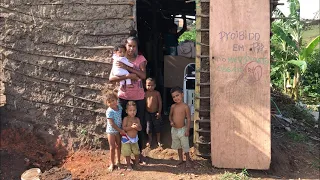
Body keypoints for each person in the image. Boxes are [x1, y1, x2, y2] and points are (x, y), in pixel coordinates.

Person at [109, 34, 147, 163]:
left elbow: (143, 75)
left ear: (137, 48)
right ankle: (126, 154)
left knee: (138, 124)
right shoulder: (119, 58)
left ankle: (139, 152)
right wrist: (127, 77)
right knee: (124, 125)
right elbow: (111, 78)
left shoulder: (141, 59)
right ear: (126, 46)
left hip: (139, 98)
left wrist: (128, 68)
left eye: (134, 46)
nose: (131, 49)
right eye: (129, 46)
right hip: (124, 98)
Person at [102, 89, 126, 172]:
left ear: (116, 100)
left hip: (118, 131)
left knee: (118, 146)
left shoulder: (119, 107)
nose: (112, 103)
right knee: (112, 147)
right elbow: (111, 124)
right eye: (109, 102)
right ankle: (112, 163)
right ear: (106, 103)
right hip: (111, 131)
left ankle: (118, 161)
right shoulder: (109, 111)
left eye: (113, 100)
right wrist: (120, 130)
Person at [169, 86, 192, 167]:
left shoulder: (185, 107)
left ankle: (188, 160)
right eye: (174, 97)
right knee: (178, 146)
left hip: (183, 129)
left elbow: (189, 119)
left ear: (182, 95)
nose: (176, 98)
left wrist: (187, 130)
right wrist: (171, 122)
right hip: (174, 130)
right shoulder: (173, 107)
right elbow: (170, 116)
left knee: (185, 146)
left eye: (177, 95)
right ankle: (180, 159)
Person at [121, 101, 142, 171]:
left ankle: (136, 163)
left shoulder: (137, 119)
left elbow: (140, 128)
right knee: (127, 153)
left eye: (134, 110)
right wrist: (131, 127)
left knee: (137, 152)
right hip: (126, 139)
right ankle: (128, 165)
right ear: (126, 111)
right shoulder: (126, 119)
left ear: (136, 111)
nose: (132, 112)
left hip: (135, 139)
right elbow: (124, 128)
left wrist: (137, 127)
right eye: (130, 110)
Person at [145, 78, 163, 147]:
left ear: (155, 86)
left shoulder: (157, 93)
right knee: (148, 128)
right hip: (148, 113)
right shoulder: (145, 93)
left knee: (157, 127)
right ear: (145, 85)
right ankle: (150, 140)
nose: (150, 87)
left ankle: (158, 140)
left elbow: (160, 103)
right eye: (148, 85)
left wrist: (159, 112)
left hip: (155, 113)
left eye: (152, 85)